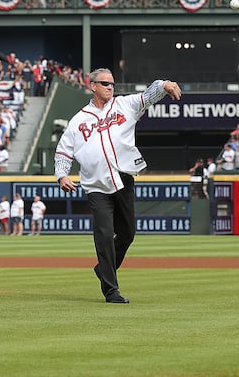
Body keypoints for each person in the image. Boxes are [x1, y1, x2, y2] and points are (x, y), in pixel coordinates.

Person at [54, 67, 181, 304]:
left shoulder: (124, 105)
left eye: (112, 84)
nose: (110, 87)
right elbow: (63, 150)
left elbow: (147, 96)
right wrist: (61, 175)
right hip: (96, 185)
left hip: (123, 178)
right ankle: (111, 290)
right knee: (103, 236)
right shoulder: (78, 120)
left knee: (127, 233)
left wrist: (165, 84)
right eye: (105, 83)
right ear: (92, 86)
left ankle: (103, 268)